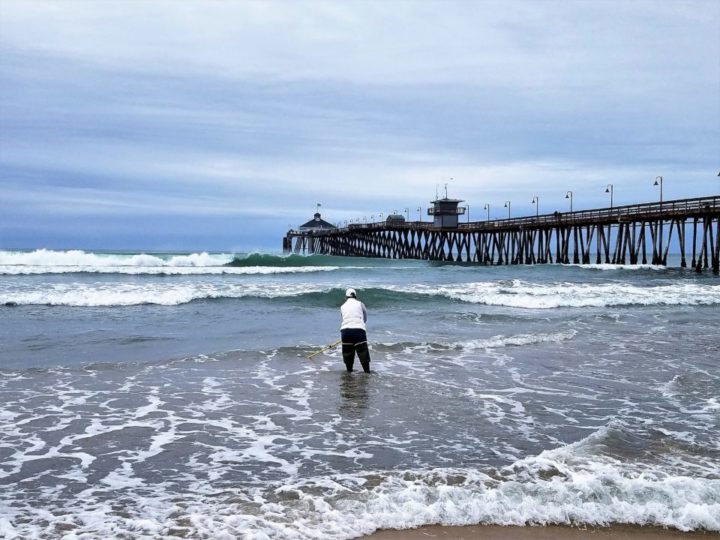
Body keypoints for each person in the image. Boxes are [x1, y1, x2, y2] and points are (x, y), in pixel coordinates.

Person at [340, 288, 371, 373]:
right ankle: (367, 372)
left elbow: (343, 319)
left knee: (347, 353)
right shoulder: (360, 304)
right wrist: (361, 325)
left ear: (346, 297)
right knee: (362, 352)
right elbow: (365, 317)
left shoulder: (342, 306)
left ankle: (349, 372)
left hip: (345, 331)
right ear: (355, 295)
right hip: (358, 330)